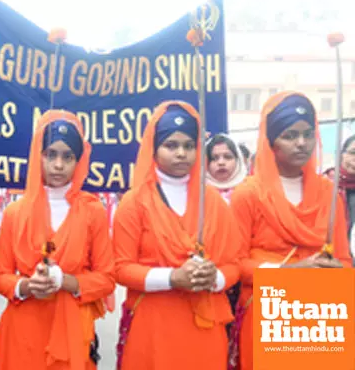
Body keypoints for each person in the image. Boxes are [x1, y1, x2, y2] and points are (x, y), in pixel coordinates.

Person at [113, 101, 240, 370]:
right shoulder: (135, 202)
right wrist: (173, 277)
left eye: (189, 145)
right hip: (153, 325)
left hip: (205, 326)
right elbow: (121, 268)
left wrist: (213, 277)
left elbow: (234, 264)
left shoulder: (214, 202)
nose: (181, 153)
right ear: (154, 148)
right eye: (171, 145)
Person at [231, 92, 352, 370]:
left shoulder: (329, 193)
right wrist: (292, 274)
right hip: (267, 309)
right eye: (290, 135)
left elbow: (344, 260)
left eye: (308, 134)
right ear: (271, 142)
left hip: (318, 311)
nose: (301, 143)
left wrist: (333, 271)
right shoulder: (249, 194)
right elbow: (235, 264)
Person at [0, 110, 115, 370]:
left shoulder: (93, 211)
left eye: (67, 157)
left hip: (72, 331)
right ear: (38, 155)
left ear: (79, 161)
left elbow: (107, 278)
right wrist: (25, 286)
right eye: (51, 155)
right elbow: (0, 275)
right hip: (23, 330)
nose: (58, 165)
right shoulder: (15, 213)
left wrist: (66, 282)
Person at [206, 134, 248, 203]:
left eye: (228, 157)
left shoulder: (252, 190)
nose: (221, 162)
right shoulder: (198, 195)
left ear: (238, 161)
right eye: (214, 158)